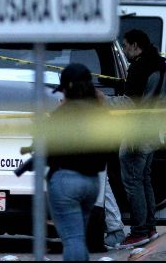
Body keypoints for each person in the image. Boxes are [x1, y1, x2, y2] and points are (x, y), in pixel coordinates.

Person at [47, 63, 110, 261]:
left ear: (68, 88)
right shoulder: (100, 113)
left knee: (72, 240)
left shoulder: (63, 114)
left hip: (66, 181)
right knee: (78, 238)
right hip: (92, 183)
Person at [118, 29, 166, 249]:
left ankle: (139, 231)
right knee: (144, 179)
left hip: (136, 133)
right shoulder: (160, 64)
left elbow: (128, 103)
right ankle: (149, 227)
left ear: (135, 45)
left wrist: (102, 101)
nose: (124, 49)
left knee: (132, 182)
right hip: (153, 131)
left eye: (126, 45)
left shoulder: (139, 68)